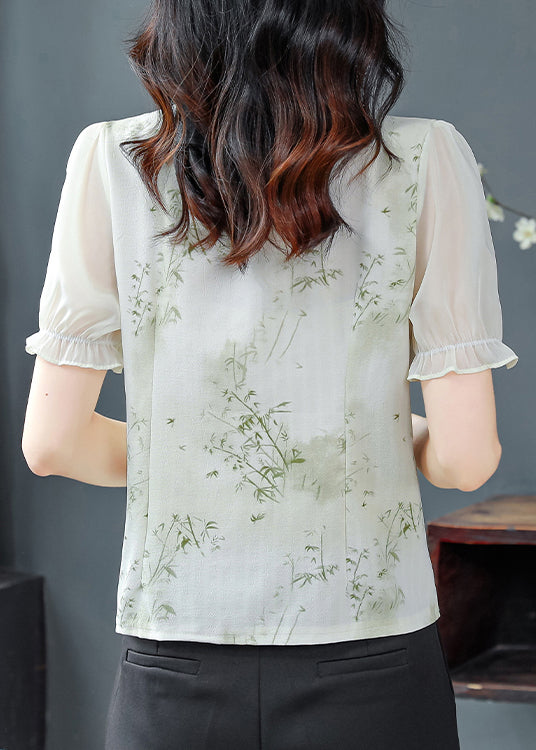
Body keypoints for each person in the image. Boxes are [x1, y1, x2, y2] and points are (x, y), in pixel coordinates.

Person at [22, 1, 519, 748]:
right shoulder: (424, 159)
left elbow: (53, 444)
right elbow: (466, 459)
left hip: (173, 659)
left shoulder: (113, 160)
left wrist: (217, 456)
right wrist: (381, 437)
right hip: (373, 659)